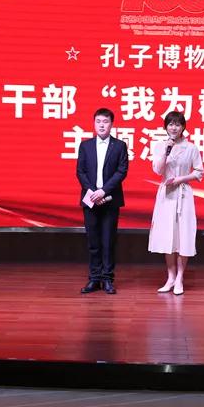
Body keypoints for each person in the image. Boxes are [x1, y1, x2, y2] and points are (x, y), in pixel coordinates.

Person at [148, 111, 204, 295]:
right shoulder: (160, 146)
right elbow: (158, 170)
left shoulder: (191, 148)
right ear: (166, 127)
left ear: (183, 127)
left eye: (177, 124)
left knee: (183, 236)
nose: (174, 128)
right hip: (166, 195)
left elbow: (199, 172)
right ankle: (170, 277)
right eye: (170, 124)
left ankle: (180, 278)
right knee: (168, 236)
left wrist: (180, 179)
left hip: (183, 194)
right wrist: (166, 151)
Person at [76, 108, 129, 295]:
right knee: (93, 241)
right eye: (98, 121)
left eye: (105, 122)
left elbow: (121, 171)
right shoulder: (85, 146)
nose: (101, 125)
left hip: (110, 199)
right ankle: (94, 278)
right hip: (90, 199)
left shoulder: (119, 146)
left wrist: (103, 191)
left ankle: (107, 279)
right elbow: (80, 171)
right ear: (94, 123)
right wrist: (93, 192)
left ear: (111, 124)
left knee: (108, 241)